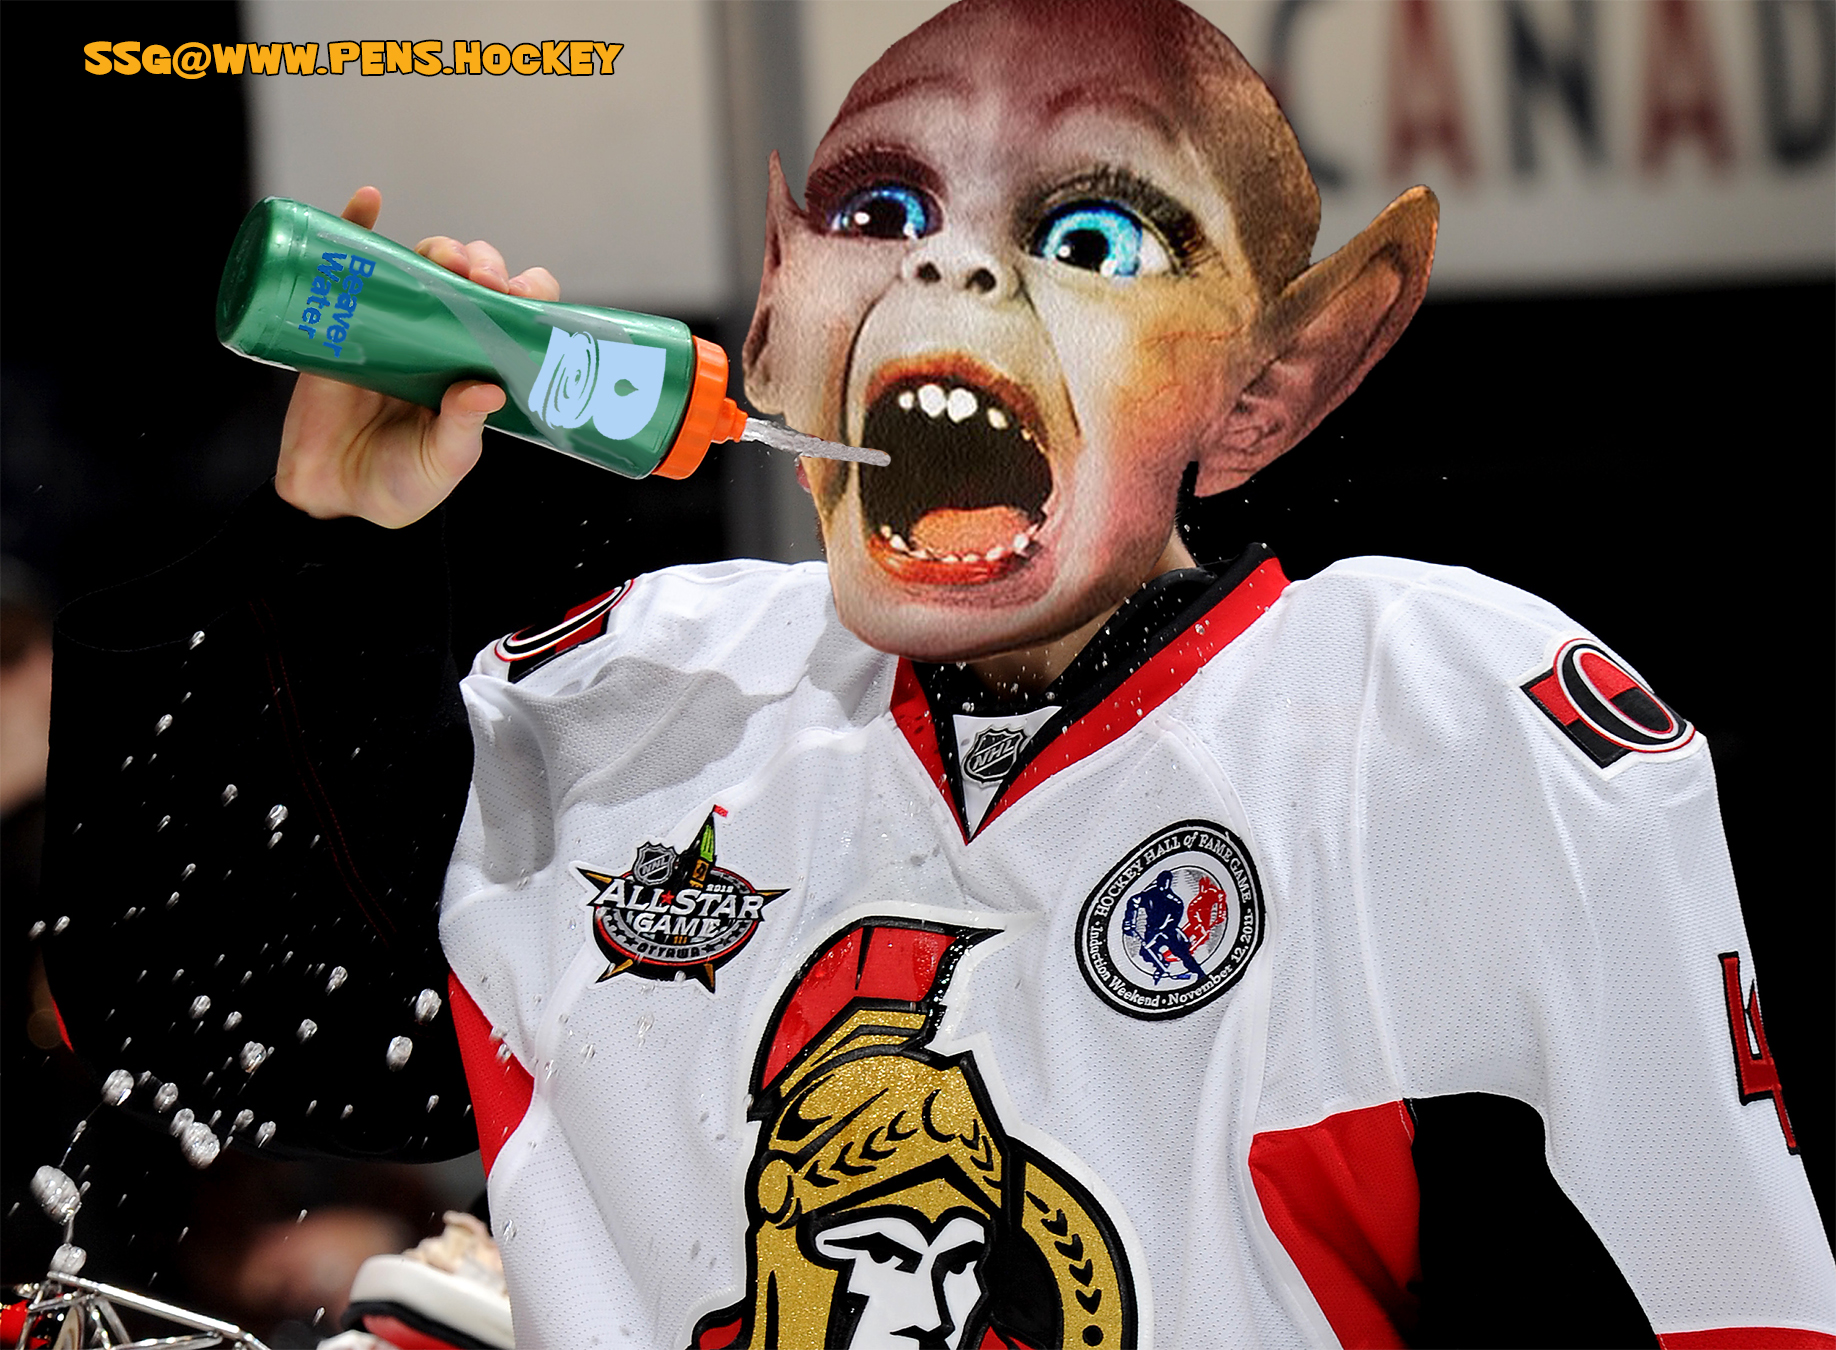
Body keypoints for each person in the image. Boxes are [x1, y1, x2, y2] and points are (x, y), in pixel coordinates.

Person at [41, 1, 1834, 1346]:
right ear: (772, 319)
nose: (951, 263)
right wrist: (324, 549)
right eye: (880, 206)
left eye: (1095, 235)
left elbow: (1724, 1302)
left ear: (1268, 388)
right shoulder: (637, 696)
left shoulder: (1434, 720)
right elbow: (219, 1031)